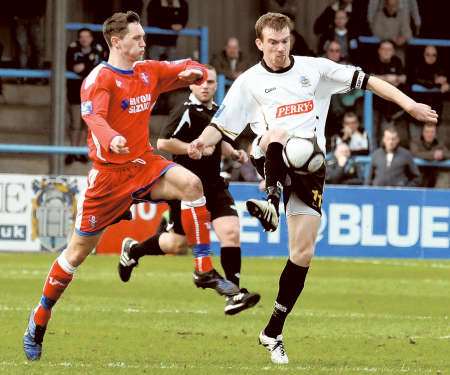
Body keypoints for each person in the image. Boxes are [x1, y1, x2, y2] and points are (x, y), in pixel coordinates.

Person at [187, 12, 437, 364]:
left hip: (310, 169)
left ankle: (273, 330)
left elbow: (369, 81)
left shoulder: (314, 69)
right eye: (272, 42)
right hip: (270, 155)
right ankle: (270, 197)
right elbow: (222, 125)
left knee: (302, 254)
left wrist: (409, 104)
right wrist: (200, 142)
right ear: (259, 44)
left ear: (291, 40)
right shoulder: (249, 82)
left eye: (284, 41)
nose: (279, 48)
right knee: (278, 135)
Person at [22, 11, 240, 362]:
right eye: (136, 38)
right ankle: (40, 318)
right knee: (76, 253)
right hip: (108, 177)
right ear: (116, 41)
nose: (143, 42)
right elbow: (94, 117)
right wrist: (111, 138)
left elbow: (180, 65)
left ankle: (203, 269)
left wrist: (197, 71)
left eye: (142, 37)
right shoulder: (99, 79)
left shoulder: (147, 72)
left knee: (191, 184)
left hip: (143, 164)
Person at [117, 65, 260, 315]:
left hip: (214, 184)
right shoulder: (184, 110)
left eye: (211, 82)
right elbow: (163, 141)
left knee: (231, 232)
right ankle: (134, 250)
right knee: (176, 244)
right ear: (192, 84)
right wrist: (189, 149)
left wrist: (233, 152)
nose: (205, 86)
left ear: (217, 86)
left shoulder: (218, 112)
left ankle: (233, 293)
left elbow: (219, 139)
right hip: (185, 188)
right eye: (201, 81)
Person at [65, 28, 104, 165]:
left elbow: (98, 69)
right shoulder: (72, 48)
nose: (84, 39)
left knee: (85, 124)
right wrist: (88, 66)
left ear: (91, 38)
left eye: (87, 36)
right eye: (81, 36)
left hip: (92, 92)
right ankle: (72, 151)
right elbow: (71, 66)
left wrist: (84, 67)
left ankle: (80, 152)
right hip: (75, 91)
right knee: (75, 123)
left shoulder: (98, 48)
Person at [410, 123, 450, 188]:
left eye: (432, 132)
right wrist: (433, 155)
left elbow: (448, 154)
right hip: (418, 175)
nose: (429, 134)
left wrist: (442, 155)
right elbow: (415, 153)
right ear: (423, 133)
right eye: (427, 132)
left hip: (434, 175)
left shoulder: (439, 143)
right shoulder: (415, 142)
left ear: (435, 134)